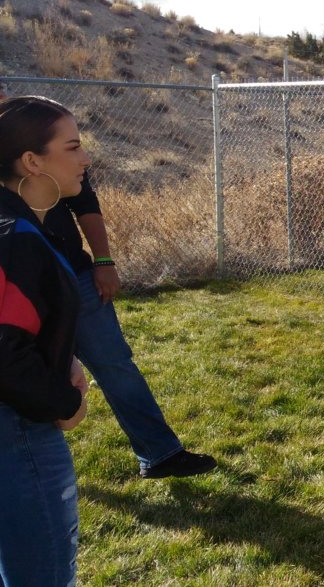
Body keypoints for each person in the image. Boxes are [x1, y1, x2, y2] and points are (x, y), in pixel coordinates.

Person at [43, 173, 217, 479]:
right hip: (20, 289)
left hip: (76, 277)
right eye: (75, 147)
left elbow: (85, 202)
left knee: (115, 365)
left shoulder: (44, 134)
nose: (83, 158)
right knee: (32, 380)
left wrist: (104, 261)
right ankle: (36, 476)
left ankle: (160, 453)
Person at [0, 95, 91, 586]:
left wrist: (63, 355)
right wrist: (63, 402)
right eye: (72, 146)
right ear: (32, 162)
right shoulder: (15, 237)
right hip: (18, 435)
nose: (85, 159)